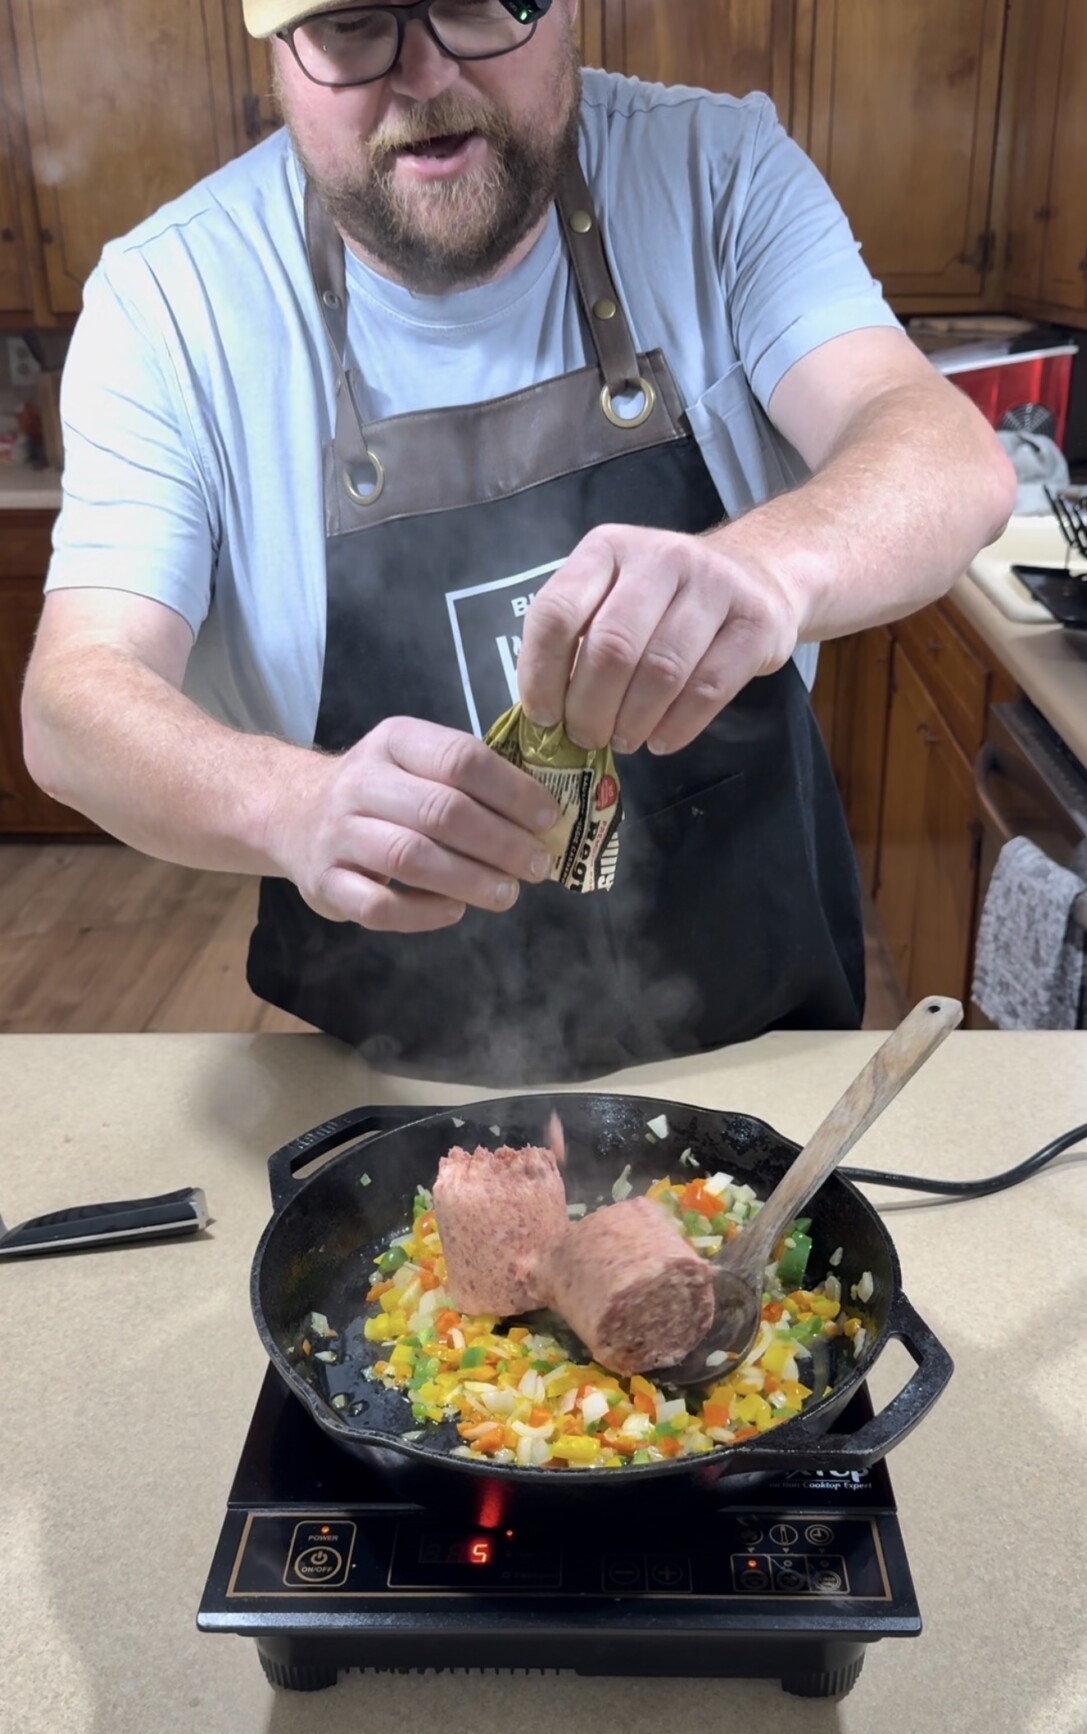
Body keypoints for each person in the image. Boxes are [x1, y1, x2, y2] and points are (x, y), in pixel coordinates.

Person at [21, 0, 1015, 1081]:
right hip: (390, 1096)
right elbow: (74, 702)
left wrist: (761, 567)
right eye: (355, 27)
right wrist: (288, 802)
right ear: (277, 55)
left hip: (762, 1056)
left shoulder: (715, 172)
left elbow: (944, 458)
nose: (425, 75)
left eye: (474, 4)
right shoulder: (169, 304)